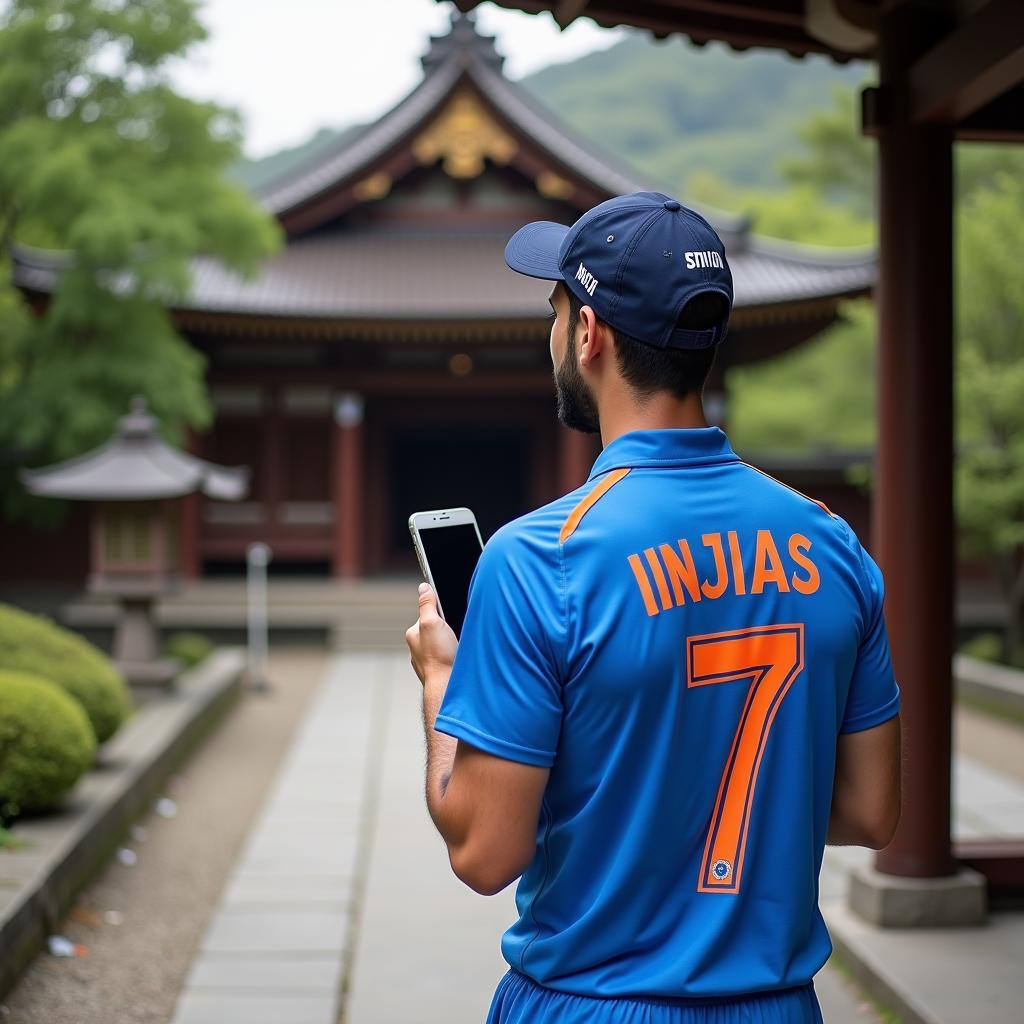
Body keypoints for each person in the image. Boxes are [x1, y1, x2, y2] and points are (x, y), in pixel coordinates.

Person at [405, 191, 901, 1024]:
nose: (552, 334)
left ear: (589, 333)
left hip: (590, 1002)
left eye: (555, 310)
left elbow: (485, 851)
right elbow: (870, 810)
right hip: (779, 1006)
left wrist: (440, 683)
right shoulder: (833, 544)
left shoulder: (541, 558)